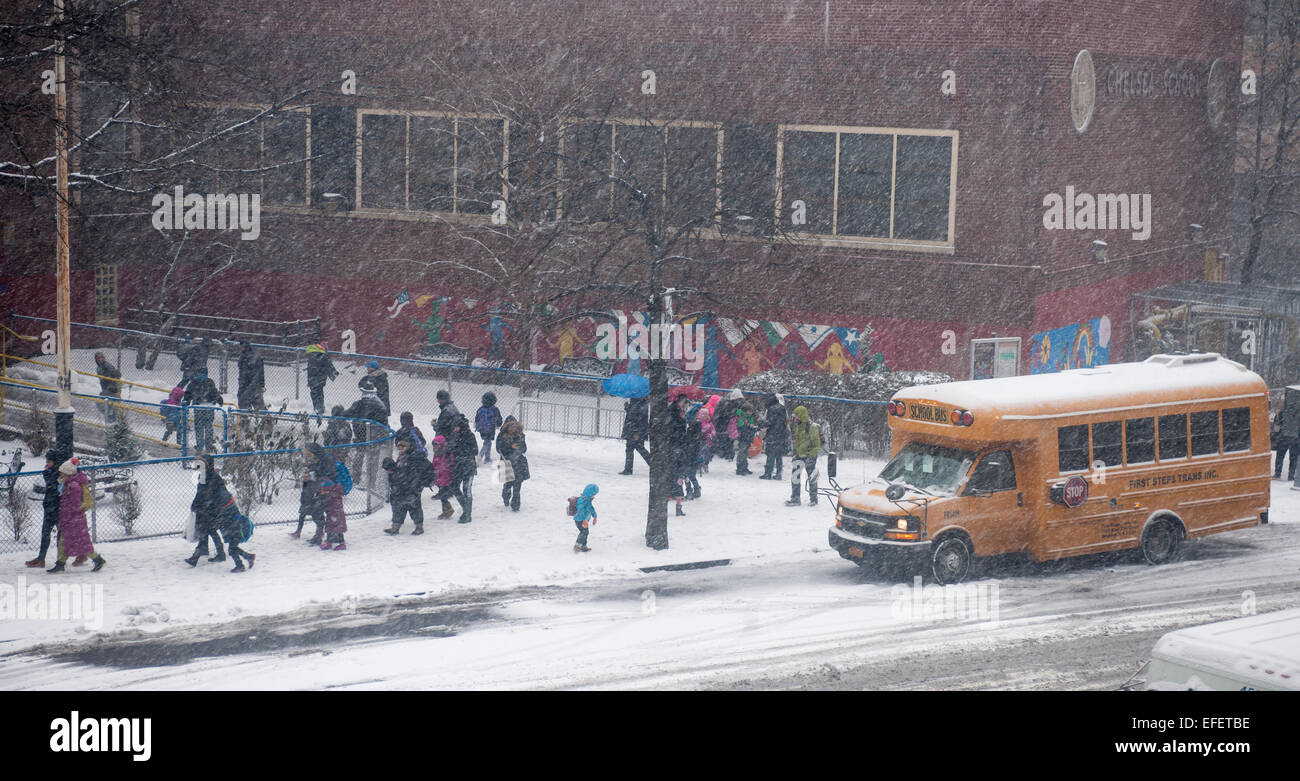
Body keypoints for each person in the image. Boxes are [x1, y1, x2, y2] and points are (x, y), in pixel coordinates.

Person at [46, 458, 106, 573]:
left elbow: (75, 504)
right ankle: (60, 563)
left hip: (73, 519)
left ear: (68, 472)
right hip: (70, 519)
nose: (60, 473)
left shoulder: (73, 485)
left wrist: (67, 515)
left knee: (81, 543)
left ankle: (97, 559)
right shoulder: (68, 483)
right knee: (64, 541)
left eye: (62, 471)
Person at [25, 448, 68, 568]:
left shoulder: (57, 473)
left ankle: (78, 556)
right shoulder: (51, 472)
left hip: (56, 509)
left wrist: (46, 472)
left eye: (49, 461)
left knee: (62, 536)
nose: (46, 463)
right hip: (50, 508)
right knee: (46, 534)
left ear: (54, 461)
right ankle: (41, 558)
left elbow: (53, 486)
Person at [382, 438, 426, 535]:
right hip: (403, 488)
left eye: (403, 448)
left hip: (411, 488)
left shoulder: (411, 458)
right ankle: (395, 526)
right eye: (399, 448)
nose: (401, 450)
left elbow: (414, 474)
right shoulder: (401, 458)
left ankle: (419, 526)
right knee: (399, 508)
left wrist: (414, 487)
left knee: (414, 508)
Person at [787, 405, 822, 506]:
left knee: (812, 477)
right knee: (795, 477)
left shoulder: (812, 427)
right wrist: (795, 454)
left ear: (801, 416)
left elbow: (816, 444)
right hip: (798, 455)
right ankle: (795, 498)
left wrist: (812, 456)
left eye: (796, 416)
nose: (795, 418)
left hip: (809, 455)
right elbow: (796, 441)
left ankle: (814, 499)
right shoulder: (798, 426)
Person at [300, 443, 333, 545]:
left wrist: (315, 477)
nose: (309, 458)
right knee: (317, 513)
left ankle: (330, 537)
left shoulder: (326, 460)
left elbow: (329, 476)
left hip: (328, 491)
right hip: (318, 491)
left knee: (326, 514)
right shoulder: (315, 461)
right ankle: (320, 535)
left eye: (310, 454)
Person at [182, 370, 222, 453]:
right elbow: (215, 392)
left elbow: (188, 394)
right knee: (208, 426)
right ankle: (209, 445)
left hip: (198, 407)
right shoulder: (209, 382)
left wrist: (186, 402)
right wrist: (219, 400)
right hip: (209, 407)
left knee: (199, 427)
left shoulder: (194, 382)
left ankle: (200, 446)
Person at [449, 413, 478, 523]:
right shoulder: (454, 436)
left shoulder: (469, 436)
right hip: (457, 467)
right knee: (454, 487)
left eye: (457, 427)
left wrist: (462, 453)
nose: (455, 429)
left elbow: (475, 451)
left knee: (467, 490)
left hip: (468, 467)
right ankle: (466, 510)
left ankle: (467, 513)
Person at [496, 416, 529, 512]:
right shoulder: (502, 436)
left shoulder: (520, 436)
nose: (513, 429)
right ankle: (506, 496)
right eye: (511, 426)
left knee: (517, 485)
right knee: (508, 483)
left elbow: (524, 448)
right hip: (507, 462)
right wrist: (510, 447)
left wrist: (517, 450)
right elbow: (499, 448)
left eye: (514, 426)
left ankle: (515, 504)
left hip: (519, 462)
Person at [760, 393, 790, 480]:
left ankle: (767, 473)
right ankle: (779, 473)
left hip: (773, 435)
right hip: (782, 434)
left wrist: (761, 423)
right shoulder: (782, 408)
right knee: (779, 455)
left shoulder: (771, 409)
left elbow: (770, 422)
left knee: (770, 455)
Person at [619, 396, 650, 475]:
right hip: (634, 429)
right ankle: (628, 469)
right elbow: (633, 414)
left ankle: (628, 469)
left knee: (633, 448)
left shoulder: (639, 401)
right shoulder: (639, 401)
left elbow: (637, 417)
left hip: (634, 430)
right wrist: (627, 407)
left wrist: (637, 432)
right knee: (637, 448)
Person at [305, 343, 338, 415]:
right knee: (319, 394)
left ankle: (316, 407)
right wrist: (334, 374)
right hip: (320, 379)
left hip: (312, 379)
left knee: (314, 394)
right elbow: (329, 366)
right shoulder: (324, 356)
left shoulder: (312, 355)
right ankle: (320, 409)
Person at [429, 435, 456, 519]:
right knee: (442, 496)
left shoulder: (447, 453)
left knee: (443, 495)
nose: (434, 447)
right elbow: (434, 463)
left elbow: (451, 464)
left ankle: (447, 510)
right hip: (439, 476)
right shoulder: (436, 454)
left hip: (446, 476)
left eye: (436, 445)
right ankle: (446, 510)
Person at [93, 352, 122, 426]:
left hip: (113, 389)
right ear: (96, 359)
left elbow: (117, 374)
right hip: (106, 390)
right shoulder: (99, 368)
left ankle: (114, 424)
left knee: (112, 407)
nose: (100, 359)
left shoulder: (107, 366)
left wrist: (113, 384)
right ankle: (110, 421)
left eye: (102, 357)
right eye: (98, 358)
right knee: (103, 405)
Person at [236, 341, 266, 411]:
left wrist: (244, 386)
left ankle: (245, 418)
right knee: (258, 402)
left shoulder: (245, 358)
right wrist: (261, 384)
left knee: (243, 401)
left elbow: (245, 374)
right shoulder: (254, 357)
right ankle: (265, 418)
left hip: (249, 384)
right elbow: (260, 373)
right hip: (254, 384)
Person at [475, 392, 503, 463]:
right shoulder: (494, 409)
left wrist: (478, 426)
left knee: (487, 442)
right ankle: (480, 456)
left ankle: (487, 458)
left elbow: (476, 418)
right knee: (487, 443)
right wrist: (499, 423)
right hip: (490, 428)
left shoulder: (480, 409)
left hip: (482, 428)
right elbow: (499, 419)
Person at [733, 399, 758, 476]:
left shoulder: (749, 417)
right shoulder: (741, 417)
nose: (751, 413)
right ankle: (740, 468)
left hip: (748, 437)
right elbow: (741, 426)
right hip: (743, 437)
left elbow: (751, 423)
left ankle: (744, 467)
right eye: (750, 411)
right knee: (742, 453)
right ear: (745, 411)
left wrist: (752, 426)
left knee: (745, 453)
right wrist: (749, 426)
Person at [572, 483, 599, 553]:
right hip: (579, 520)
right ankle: (577, 545)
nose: (594, 495)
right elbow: (580, 511)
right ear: (590, 492)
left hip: (584, 520)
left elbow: (591, 509)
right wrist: (584, 519)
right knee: (583, 532)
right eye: (593, 493)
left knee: (586, 532)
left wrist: (595, 516)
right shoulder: (582, 500)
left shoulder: (588, 500)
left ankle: (583, 546)